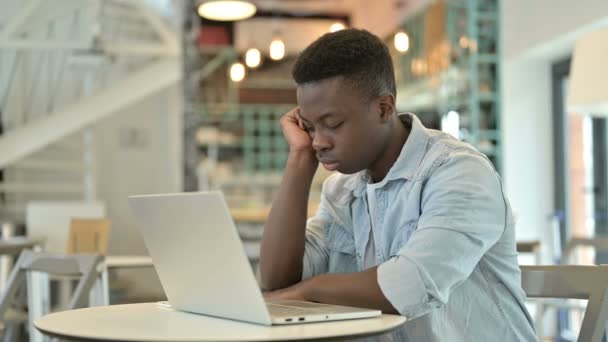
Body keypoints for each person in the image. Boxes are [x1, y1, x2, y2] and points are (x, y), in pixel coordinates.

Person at [259, 28, 536, 341]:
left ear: (383, 108)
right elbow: (277, 280)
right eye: (310, 128)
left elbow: (410, 285)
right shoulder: (343, 190)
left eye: (332, 124)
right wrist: (299, 159)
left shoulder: (458, 172)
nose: (318, 142)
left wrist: (306, 292)